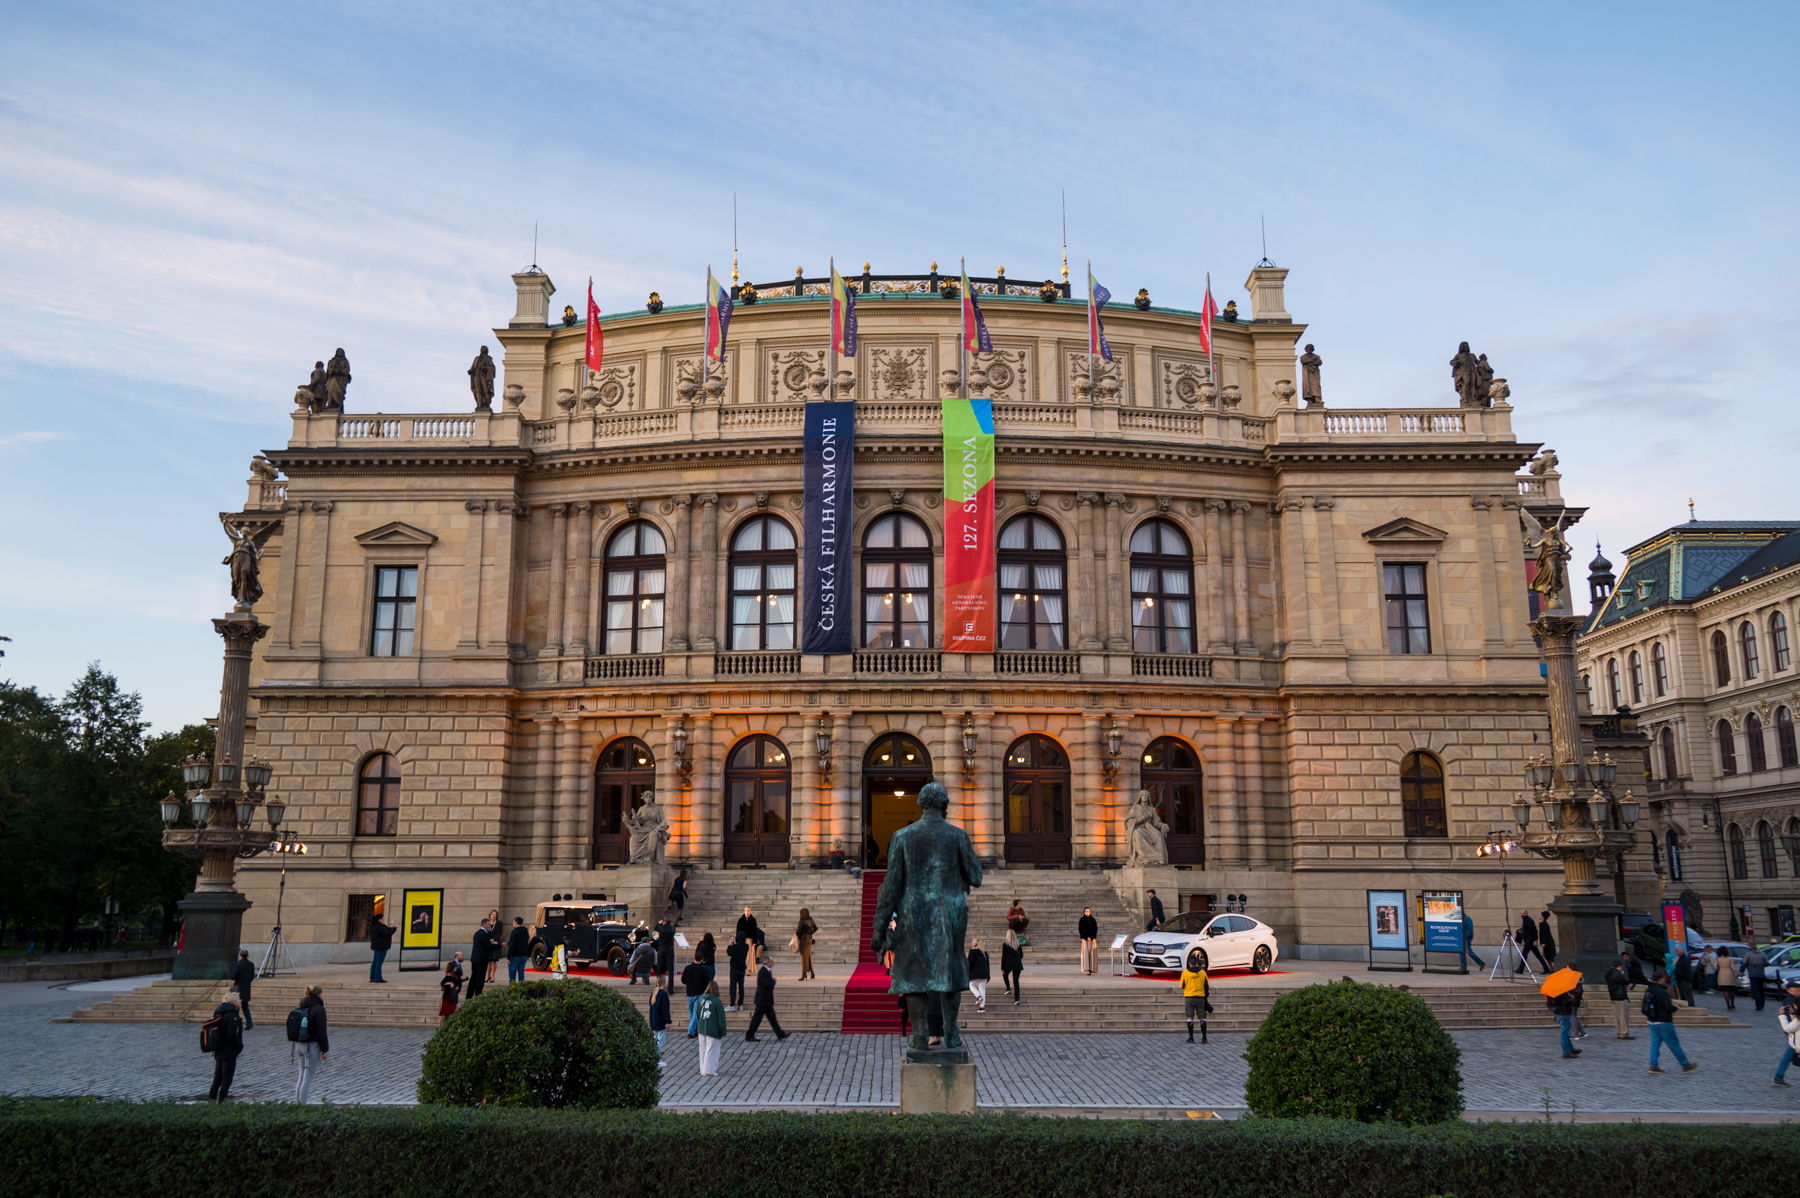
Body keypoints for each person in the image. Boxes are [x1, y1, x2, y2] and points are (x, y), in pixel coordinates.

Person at [1643, 970, 1697, 1074]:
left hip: (1652, 1021)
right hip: (1664, 1022)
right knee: (1674, 1044)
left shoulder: (1648, 990)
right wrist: (1675, 1007)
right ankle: (1685, 1065)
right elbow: (1668, 1007)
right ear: (1661, 979)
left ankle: (1653, 1065)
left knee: (1655, 1044)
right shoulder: (1663, 992)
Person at [293, 985, 330, 1103]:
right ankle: (302, 1103)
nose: (323, 996)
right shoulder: (318, 1009)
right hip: (312, 1046)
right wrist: (325, 1049)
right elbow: (321, 1031)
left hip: (299, 1044)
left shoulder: (302, 1005)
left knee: (301, 1075)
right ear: (318, 995)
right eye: (322, 993)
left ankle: (297, 1102)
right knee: (308, 1077)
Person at [206, 992, 246, 1101]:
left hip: (218, 1049)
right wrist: (239, 1046)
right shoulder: (232, 1015)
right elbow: (232, 1034)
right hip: (229, 1051)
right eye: (239, 999)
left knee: (217, 1079)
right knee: (226, 1080)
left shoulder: (219, 1012)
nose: (241, 1000)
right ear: (234, 1001)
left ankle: (211, 1100)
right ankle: (221, 1102)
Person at [745, 950, 788, 1041]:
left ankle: (780, 1034)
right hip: (763, 1000)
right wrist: (773, 981)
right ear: (767, 962)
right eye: (771, 961)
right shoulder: (763, 971)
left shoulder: (766, 971)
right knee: (757, 1019)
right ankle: (749, 1035)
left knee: (772, 1018)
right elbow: (766, 984)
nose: (773, 963)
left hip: (766, 1000)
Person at [695, 981, 727, 1076]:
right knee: (712, 1050)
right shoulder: (717, 1001)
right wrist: (723, 1031)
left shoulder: (701, 999)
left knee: (703, 1050)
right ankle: (709, 1071)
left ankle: (702, 1069)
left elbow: (697, 1013)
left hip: (701, 1028)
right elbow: (721, 1018)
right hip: (713, 1029)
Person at [1774, 979, 1800, 1086]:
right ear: (1789, 990)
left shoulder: (1794, 999)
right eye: (1797, 989)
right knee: (1790, 1052)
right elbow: (1790, 1025)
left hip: (1794, 1032)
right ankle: (1778, 1077)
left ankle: (1778, 1076)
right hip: (1794, 1031)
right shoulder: (1790, 1001)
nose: (1798, 990)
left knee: (1790, 1053)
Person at [1180, 949, 1209, 1044]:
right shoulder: (1203, 973)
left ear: (1189, 963)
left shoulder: (1185, 973)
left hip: (1189, 998)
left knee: (1189, 1017)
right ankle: (1204, 1038)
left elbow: (1181, 986)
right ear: (1197, 963)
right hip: (1200, 998)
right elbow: (1207, 985)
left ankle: (1191, 1037)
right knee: (1202, 1018)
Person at [1604, 954, 1636, 1039]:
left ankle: (1619, 1032)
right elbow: (1625, 981)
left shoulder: (1609, 972)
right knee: (1623, 1016)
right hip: (1620, 996)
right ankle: (1624, 1033)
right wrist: (1622, 974)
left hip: (1613, 996)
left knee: (1617, 1016)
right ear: (1619, 966)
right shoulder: (1617, 973)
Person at [681, 950, 711, 1035]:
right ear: (701, 959)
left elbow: (683, 980)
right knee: (695, 1014)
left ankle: (694, 1031)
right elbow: (707, 982)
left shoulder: (688, 968)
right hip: (699, 993)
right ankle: (691, 1031)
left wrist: (689, 983)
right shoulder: (703, 969)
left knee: (692, 1014)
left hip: (690, 993)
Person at [1548, 986, 1582, 1058]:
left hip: (1560, 1012)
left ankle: (1570, 1049)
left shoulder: (1552, 990)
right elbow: (1564, 1002)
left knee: (1566, 1032)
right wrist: (1571, 999)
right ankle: (1566, 1052)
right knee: (1565, 1033)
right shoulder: (1560, 991)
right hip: (1563, 1013)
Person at [466, 918, 494, 1000]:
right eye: (488, 924)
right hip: (481, 960)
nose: (490, 926)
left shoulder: (478, 933)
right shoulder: (483, 934)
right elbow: (488, 946)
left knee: (474, 978)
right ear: (484, 924)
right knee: (480, 979)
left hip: (475, 959)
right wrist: (499, 945)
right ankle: (477, 995)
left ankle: (469, 996)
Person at [229, 948, 256, 1030]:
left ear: (240, 955)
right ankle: (249, 1023)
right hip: (246, 988)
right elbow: (252, 976)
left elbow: (232, 977)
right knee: (245, 1007)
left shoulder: (238, 964)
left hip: (238, 989)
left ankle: (235, 1024)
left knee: (235, 1008)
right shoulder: (251, 964)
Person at [648, 980, 672, 1067]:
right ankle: (656, 1060)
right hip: (660, 1021)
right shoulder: (663, 994)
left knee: (655, 1041)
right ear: (664, 983)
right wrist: (668, 1022)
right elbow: (665, 1009)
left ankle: (653, 1058)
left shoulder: (653, 992)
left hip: (653, 1021)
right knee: (659, 1042)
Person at [368, 909, 396, 983]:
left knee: (375, 962)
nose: (383, 919)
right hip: (381, 947)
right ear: (379, 919)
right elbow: (388, 932)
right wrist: (395, 928)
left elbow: (386, 930)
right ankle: (378, 978)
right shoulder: (380, 926)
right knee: (379, 963)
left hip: (376, 947)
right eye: (382, 918)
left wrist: (392, 928)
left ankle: (372, 977)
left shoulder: (375, 926)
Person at [725, 935, 750, 1010]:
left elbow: (729, 952)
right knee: (741, 987)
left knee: (733, 987)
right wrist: (735, 944)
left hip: (734, 969)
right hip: (742, 969)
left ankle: (732, 1004)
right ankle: (740, 1004)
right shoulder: (746, 946)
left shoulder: (735, 947)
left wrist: (730, 944)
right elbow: (739, 947)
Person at [967, 939, 990, 1013]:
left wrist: (967, 972)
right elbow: (987, 964)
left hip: (975, 973)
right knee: (982, 989)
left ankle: (978, 996)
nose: (971, 944)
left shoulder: (972, 951)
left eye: (972, 942)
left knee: (970, 985)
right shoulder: (984, 952)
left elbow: (970, 963)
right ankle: (982, 1007)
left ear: (974, 944)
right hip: (984, 973)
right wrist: (988, 975)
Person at [794, 908, 818, 980]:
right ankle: (812, 973)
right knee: (809, 956)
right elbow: (816, 928)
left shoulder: (801, 921)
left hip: (803, 940)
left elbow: (799, 931)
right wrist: (810, 933)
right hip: (809, 939)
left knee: (804, 957)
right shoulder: (811, 920)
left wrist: (796, 935)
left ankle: (804, 974)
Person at [505, 916, 530, 983]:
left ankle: (513, 988)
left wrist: (508, 957)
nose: (513, 923)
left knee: (512, 975)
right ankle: (522, 987)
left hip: (514, 956)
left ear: (516, 922)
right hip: (523, 956)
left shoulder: (514, 932)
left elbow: (512, 945)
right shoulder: (525, 931)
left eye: (513, 922)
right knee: (521, 974)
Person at [1745, 943, 1770, 1011]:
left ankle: (1758, 1005)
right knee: (1761, 989)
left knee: (1755, 990)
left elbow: (1744, 963)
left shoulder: (1748, 954)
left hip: (1752, 975)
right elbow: (1767, 963)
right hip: (1761, 974)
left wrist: (1741, 971)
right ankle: (1762, 1004)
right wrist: (1761, 966)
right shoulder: (1762, 954)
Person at [1715, 947, 1740, 1011]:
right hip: (1729, 974)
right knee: (1731, 990)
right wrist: (1739, 973)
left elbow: (1715, 967)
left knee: (1725, 990)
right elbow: (1733, 969)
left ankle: (1728, 1005)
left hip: (1721, 974)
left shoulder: (1718, 959)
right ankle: (1732, 1004)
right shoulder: (1730, 959)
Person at [1000, 937, 1023, 1005]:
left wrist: (1002, 967)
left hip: (1009, 963)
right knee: (1016, 982)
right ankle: (1017, 999)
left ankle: (1008, 988)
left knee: (1005, 974)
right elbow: (1021, 955)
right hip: (1017, 964)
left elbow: (1004, 956)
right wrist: (1017, 959)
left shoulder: (1005, 944)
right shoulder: (1018, 944)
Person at [653, 917, 676, 985]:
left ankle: (658, 984)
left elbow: (655, 929)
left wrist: (659, 923)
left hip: (662, 949)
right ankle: (670, 987)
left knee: (659, 967)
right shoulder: (673, 928)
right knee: (671, 968)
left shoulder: (660, 927)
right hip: (670, 949)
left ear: (664, 921)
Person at [1077, 907, 1099, 975]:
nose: (1087, 912)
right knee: (1086, 954)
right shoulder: (1082, 920)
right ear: (1084, 912)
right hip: (1085, 939)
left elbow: (1095, 929)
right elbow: (1081, 929)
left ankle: (1092, 968)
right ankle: (1086, 969)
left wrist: (1093, 937)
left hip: (1093, 939)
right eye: (1086, 911)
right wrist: (1087, 937)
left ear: (1090, 912)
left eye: (1088, 911)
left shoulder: (1093, 919)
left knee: (1093, 954)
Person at [484, 909, 501, 984]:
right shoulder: (487, 922)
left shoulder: (499, 923)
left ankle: (493, 976)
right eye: (492, 914)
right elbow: (484, 931)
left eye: (495, 915)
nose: (494, 916)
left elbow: (500, 933)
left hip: (495, 944)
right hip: (488, 944)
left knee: (493, 961)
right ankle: (487, 976)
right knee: (488, 961)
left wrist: (494, 939)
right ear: (490, 915)